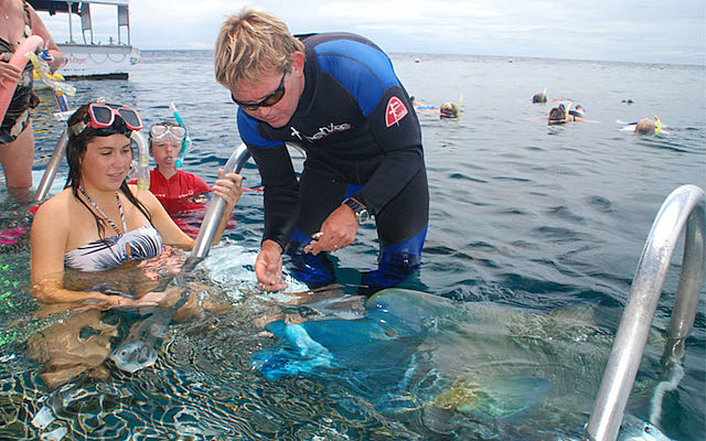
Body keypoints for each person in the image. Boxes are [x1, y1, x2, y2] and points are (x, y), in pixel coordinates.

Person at [214, 8, 429, 294]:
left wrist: (356, 209)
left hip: (392, 164)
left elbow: (407, 152)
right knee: (299, 256)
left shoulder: (355, 68)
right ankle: (327, 307)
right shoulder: (250, 121)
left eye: (272, 97)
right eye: (246, 103)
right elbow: (280, 188)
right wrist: (271, 245)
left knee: (400, 268)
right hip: (329, 167)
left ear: (296, 64)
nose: (263, 113)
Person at [30, 102, 243, 308]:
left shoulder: (142, 198)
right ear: (78, 155)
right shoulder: (55, 213)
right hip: (91, 308)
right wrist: (112, 302)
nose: (120, 163)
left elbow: (195, 249)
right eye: (106, 153)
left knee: (215, 308)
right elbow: (45, 290)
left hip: (153, 296)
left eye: (125, 151)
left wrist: (224, 210)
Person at [0, 0, 63, 199]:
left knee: (21, 191)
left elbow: (57, 54)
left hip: (17, 117)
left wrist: (47, 58)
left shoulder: (26, 10)